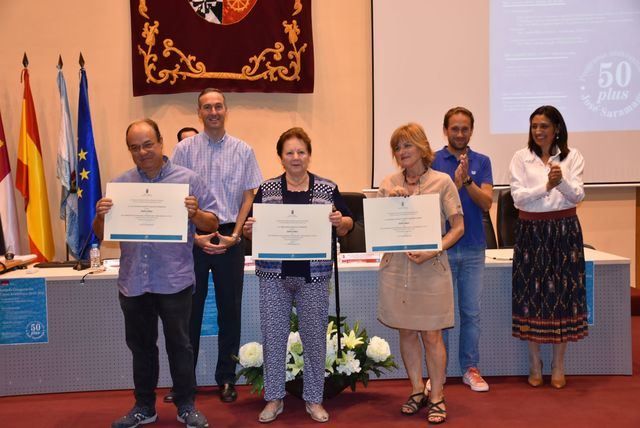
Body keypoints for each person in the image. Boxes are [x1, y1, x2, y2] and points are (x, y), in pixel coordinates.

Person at [94, 119, 218, 428]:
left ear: (161, 142)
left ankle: (186, 405)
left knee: (181, 345)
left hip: (174, 279)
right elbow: (101, 233)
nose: (142, 152)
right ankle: (144, 407)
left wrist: (196, 213)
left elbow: (213, 223)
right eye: (134, 147)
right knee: (141, 348)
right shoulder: (120, 186)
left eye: (148, 144)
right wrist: (100, 216)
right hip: (134, 281)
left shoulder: (188, 180)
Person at [242, 127, 353, 424]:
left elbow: (347, 224)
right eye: (289, 152)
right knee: (274, 337)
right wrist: (249, 230)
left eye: (301, 152)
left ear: (309, 155)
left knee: (315, 338)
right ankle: (274, 398)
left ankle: (314, 399)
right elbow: (249, 228)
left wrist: (341, 221)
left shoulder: (327, 189)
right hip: (273, 276)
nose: (295, 157)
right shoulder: (267, 189)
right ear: (280, 157)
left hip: (313, 275)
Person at [171, 88, 262, 403]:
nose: (213, 111)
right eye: (207, 107)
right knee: (188, 313)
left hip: (230, 238)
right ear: (199, 112)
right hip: (193, 238)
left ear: (226, 110)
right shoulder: (183, 150)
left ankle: (226, 378)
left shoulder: (243, 150)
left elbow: (250, 193)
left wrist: (235, 235)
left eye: (218, 106)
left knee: (229, 312)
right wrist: (193, 237)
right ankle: (186, 383)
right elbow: (175, 194)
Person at [377, 123, 463, 425]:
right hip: (396, 269)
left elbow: (458, 227)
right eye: (397, 148)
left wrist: (435, 249)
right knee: (405, 330)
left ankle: (437, 395)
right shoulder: (388, 182)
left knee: (431, 334)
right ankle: (416, 390)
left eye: (407, 146)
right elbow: (379, 228)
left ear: (422, 147)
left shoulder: (443, 182)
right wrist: (389, 202)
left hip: (431, 268)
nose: (401, 152)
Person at [509, 105, 588, 389]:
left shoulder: (572, 156)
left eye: (544, 126)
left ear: (556, 128)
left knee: (564, 297)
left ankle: (558, 364)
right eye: (534, 126)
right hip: (531, 231)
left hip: (564, 231)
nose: (538, 131)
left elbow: (577, 194)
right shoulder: (521, 157)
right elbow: (518, 199)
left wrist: (561, 181)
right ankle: (534, 362)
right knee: (531, 296)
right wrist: (546, 185)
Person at [431, 107, 493, 392]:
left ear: (471, 130)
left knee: (470, 312)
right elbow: (428, 207)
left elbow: (486, 203)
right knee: (441, 314)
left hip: (472, 248)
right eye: (454, 128)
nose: (459, 133)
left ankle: (470, 368)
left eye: (464, 128)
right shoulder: (431, 161)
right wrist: (451, 185)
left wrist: (467, 181)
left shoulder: (482, 161)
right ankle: (438, 371)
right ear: (446, 130)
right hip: (441, 247)